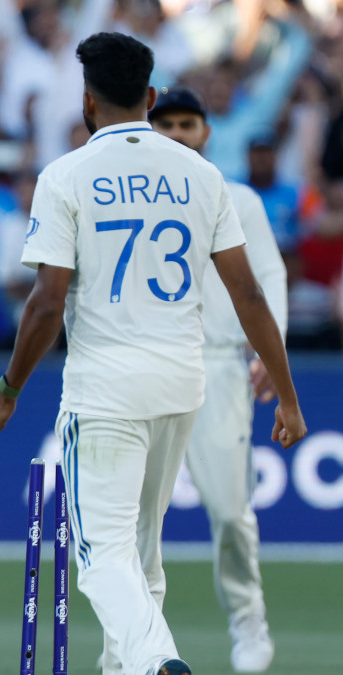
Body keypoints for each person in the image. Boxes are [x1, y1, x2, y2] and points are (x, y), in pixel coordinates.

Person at [0, 33, 306, 675]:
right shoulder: (202, 175)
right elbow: (250, 294)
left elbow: (45, 303)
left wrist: (9, 389)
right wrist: (288, 398)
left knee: (101, 555)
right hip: (182, 384)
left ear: (87, 102)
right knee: (140, 554)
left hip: (106, 389)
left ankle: (155, 660)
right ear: (150, 98)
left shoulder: (65, 175)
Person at [149, 86, 287, 673]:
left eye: (188, 124)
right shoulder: (133, 198)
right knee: (137, 517)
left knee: (231, 510)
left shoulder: (239, 198)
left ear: (206, 133)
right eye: (167, 125)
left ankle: (248, 617)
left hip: (220, 361)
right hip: (148, 360)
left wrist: (271, 351)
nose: (178, 134)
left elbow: (268, 276)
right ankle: (142, 639)